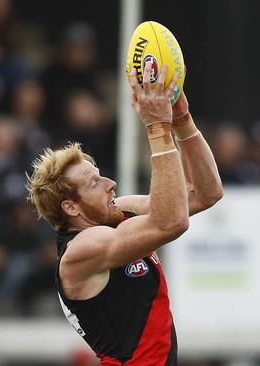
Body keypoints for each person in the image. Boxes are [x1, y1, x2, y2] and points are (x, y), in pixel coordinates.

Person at [26, 62, 223, 365]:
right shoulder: (80, 252)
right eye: (94, 182)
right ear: (70, 207)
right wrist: (157, 127)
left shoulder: (120, 211)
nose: (110, 184)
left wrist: (182, 119)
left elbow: (205, 194)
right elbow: (172, 222)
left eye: (101, 174)